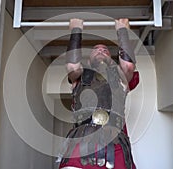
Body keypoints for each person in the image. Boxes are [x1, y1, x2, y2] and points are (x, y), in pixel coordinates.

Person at [58, 18, 139, 169]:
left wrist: (122, 31)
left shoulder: (121, 77)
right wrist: (76, 30)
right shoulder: (79, 76)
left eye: (105, 49)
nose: (101, 50)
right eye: (96, 49)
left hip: (114, 143)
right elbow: (72, 66)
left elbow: (128, 67)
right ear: (88, 60)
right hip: (81, 141)